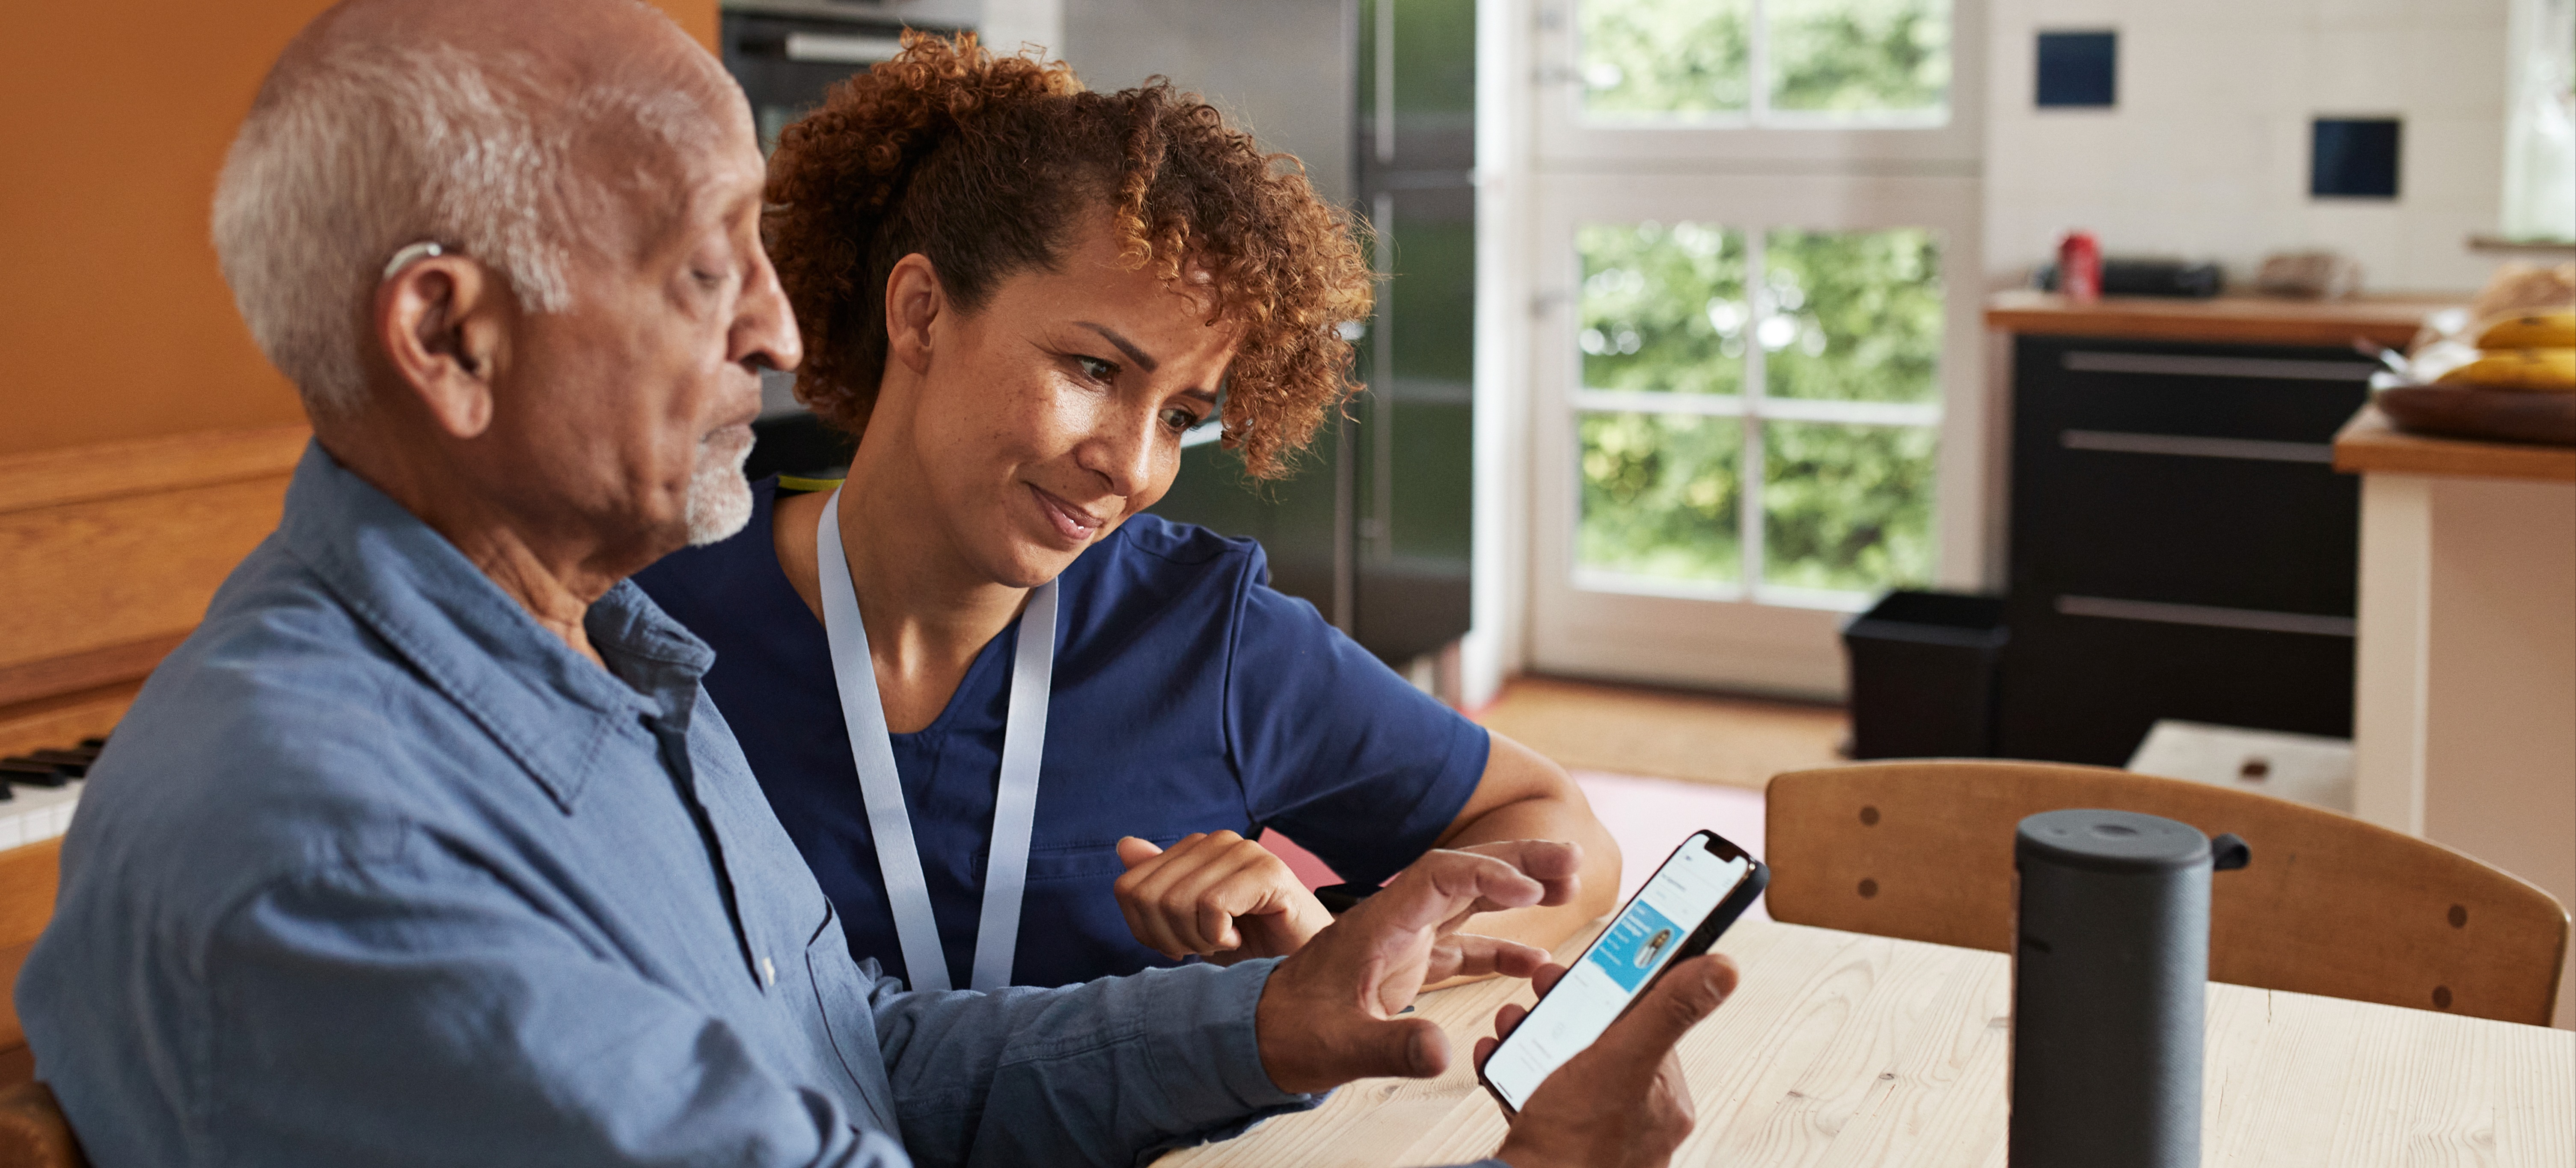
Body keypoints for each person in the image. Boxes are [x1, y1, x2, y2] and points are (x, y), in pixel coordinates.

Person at [13, 3, 1737, 1166]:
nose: (774, 335)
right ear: (450, 338)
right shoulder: (346, 847)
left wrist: (1270, 1017)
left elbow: (864, 1050)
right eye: (705, 269)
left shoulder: (610, 665)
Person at [630, 34, 1621, 994]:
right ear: (921, 312)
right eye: (1092, 369)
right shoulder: (640, 606)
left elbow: (1559, 828)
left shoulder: (1203, 633)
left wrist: (1363, 948)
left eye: (1183, 418)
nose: (1132, 467)